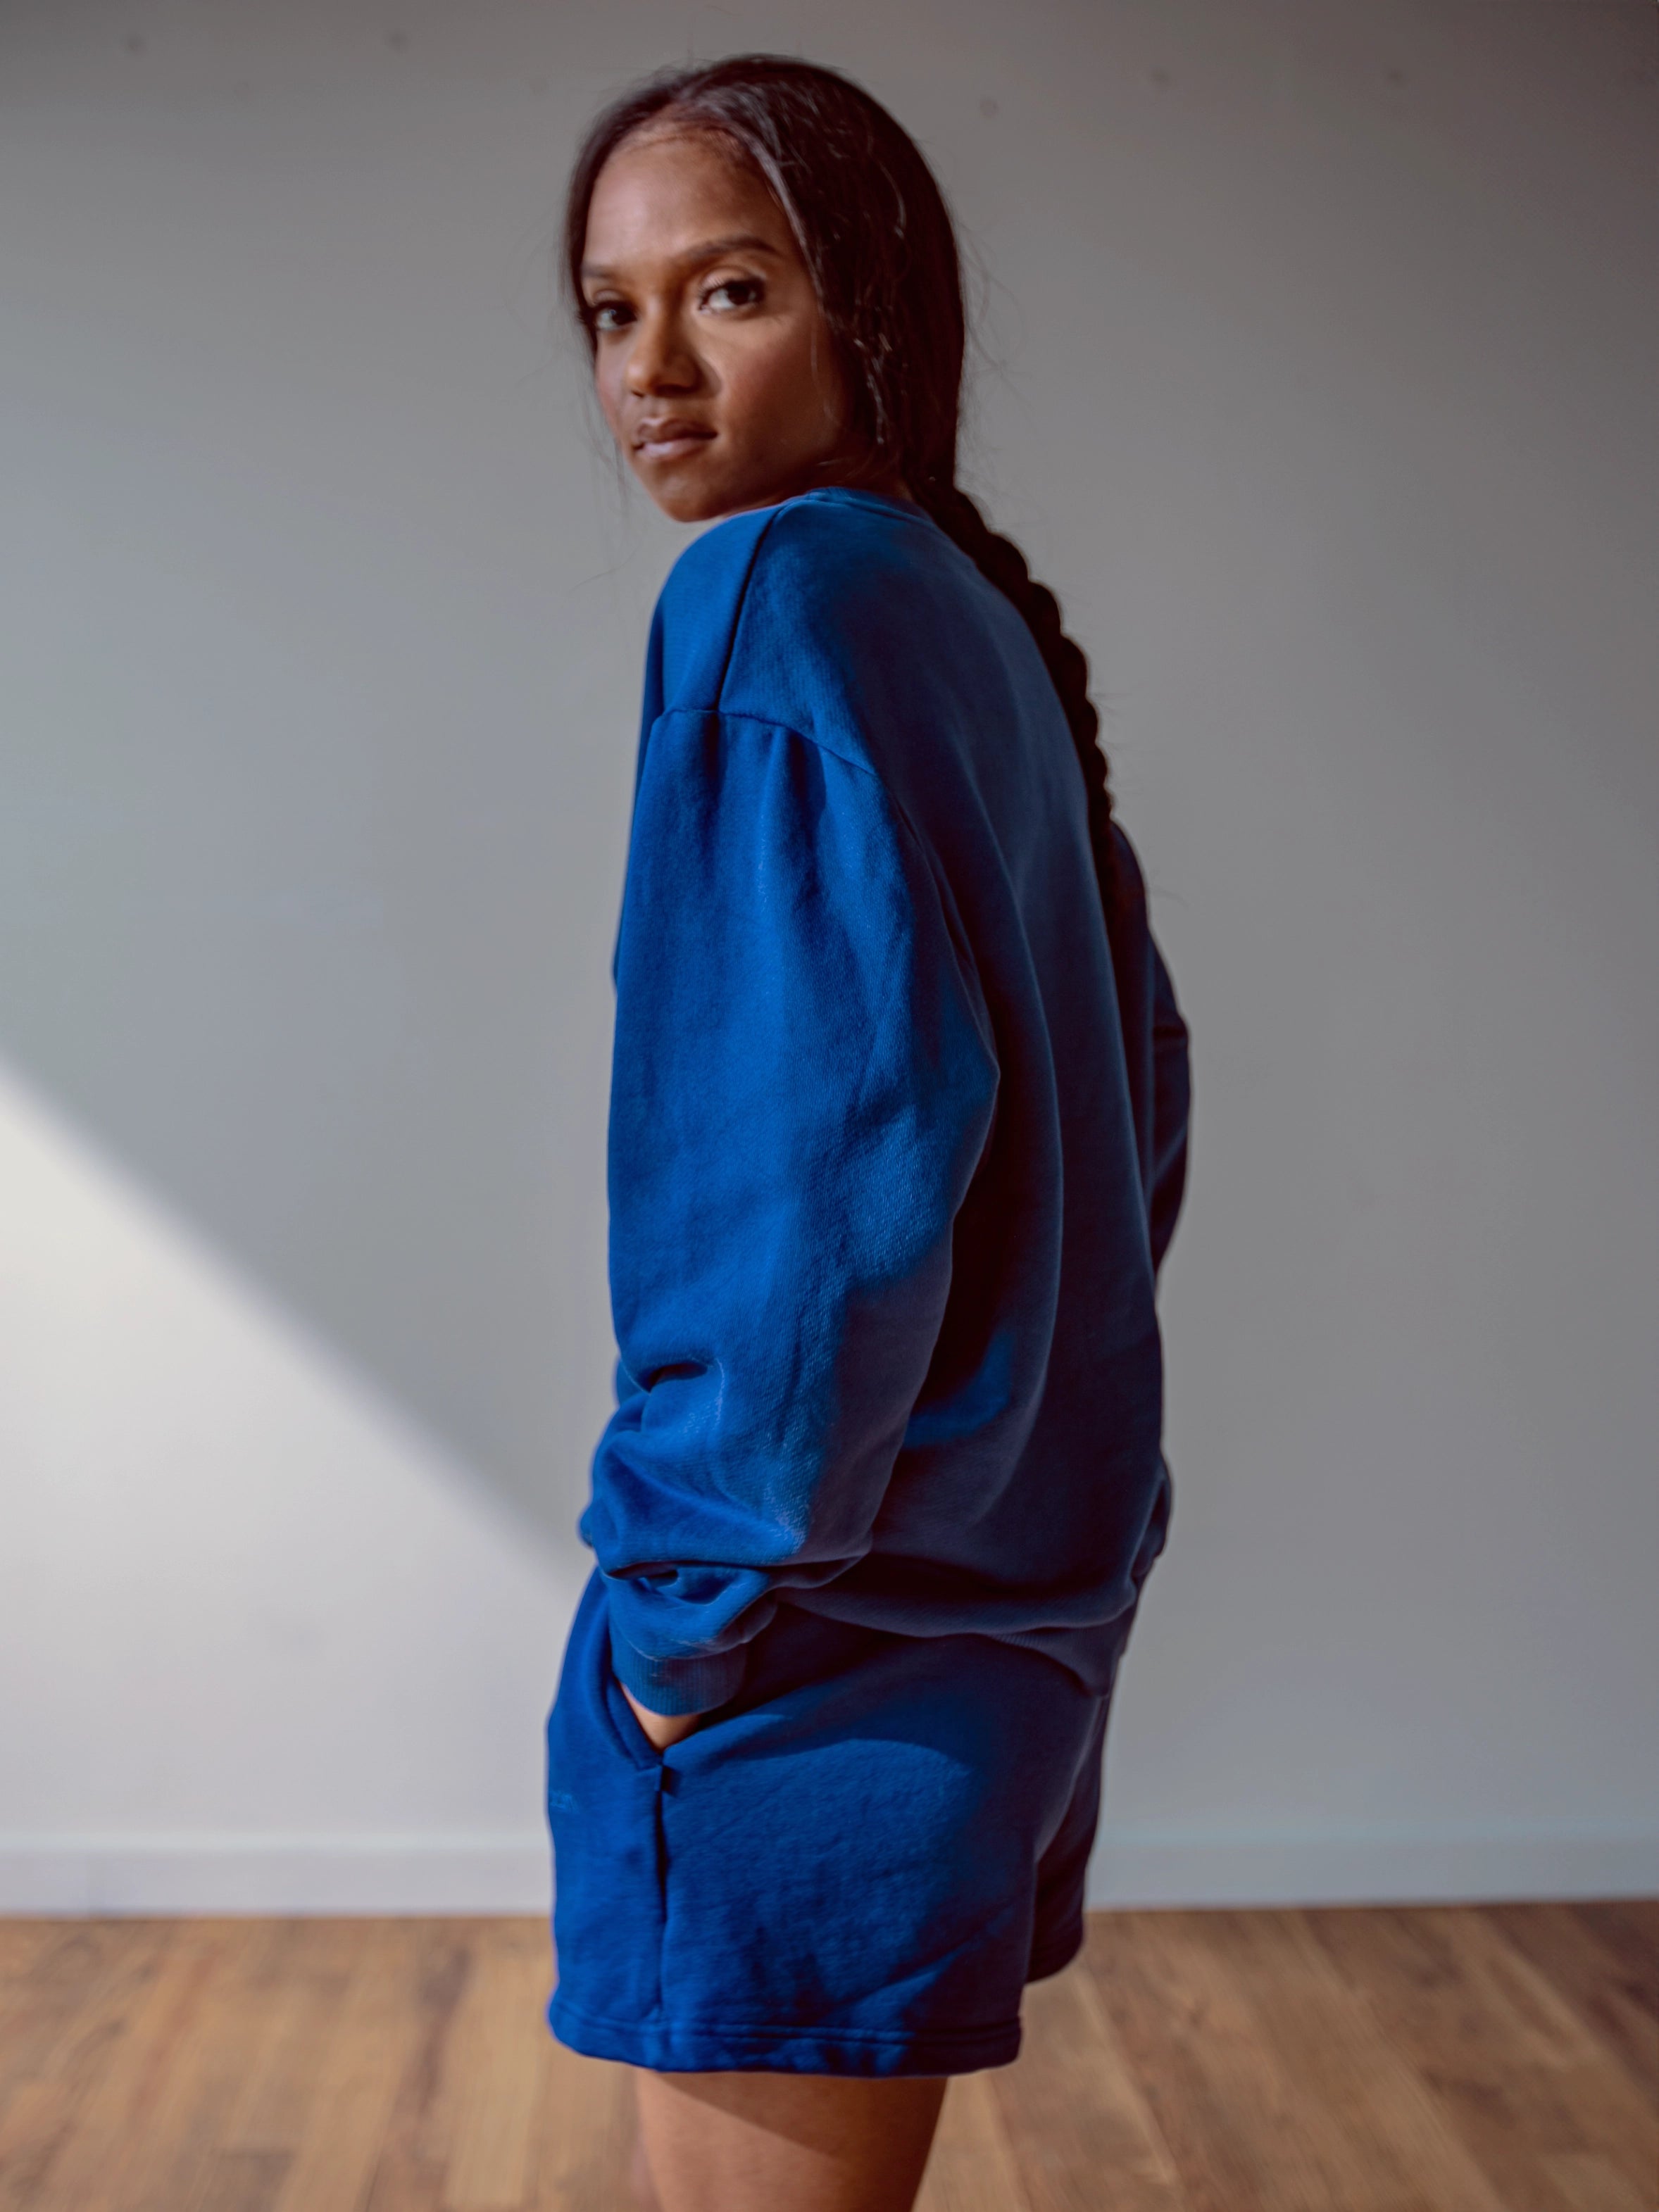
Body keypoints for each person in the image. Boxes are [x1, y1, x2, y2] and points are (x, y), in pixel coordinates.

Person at [544, 55, 1190, 2212]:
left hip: (800, 1660)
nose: (652, 369)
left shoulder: (772, 601)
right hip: (996, 1640)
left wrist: (677, 1632)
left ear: (872, 314)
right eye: (608, 312)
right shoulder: (960, 616)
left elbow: (800, 1190)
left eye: (726, 292)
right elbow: (1140, 1102)